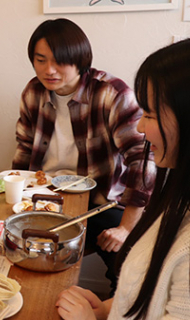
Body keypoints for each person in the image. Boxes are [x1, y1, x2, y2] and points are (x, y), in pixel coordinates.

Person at [56, 35, 190, 320]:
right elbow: (160, 297)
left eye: (150, 115)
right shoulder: (187, 195)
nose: (141, 128)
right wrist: (106, 309)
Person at [12, 18, 156, 292]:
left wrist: (126, 228)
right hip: (44, 199)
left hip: (100, 203)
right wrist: (15, 196)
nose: (49, 70)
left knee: (131, 270)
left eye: (59, 61)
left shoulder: (111, 94)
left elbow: (143, 158)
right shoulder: (33, 92)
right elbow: (24, 149)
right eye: (40, 60)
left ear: (80, 60)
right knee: (11, 253)